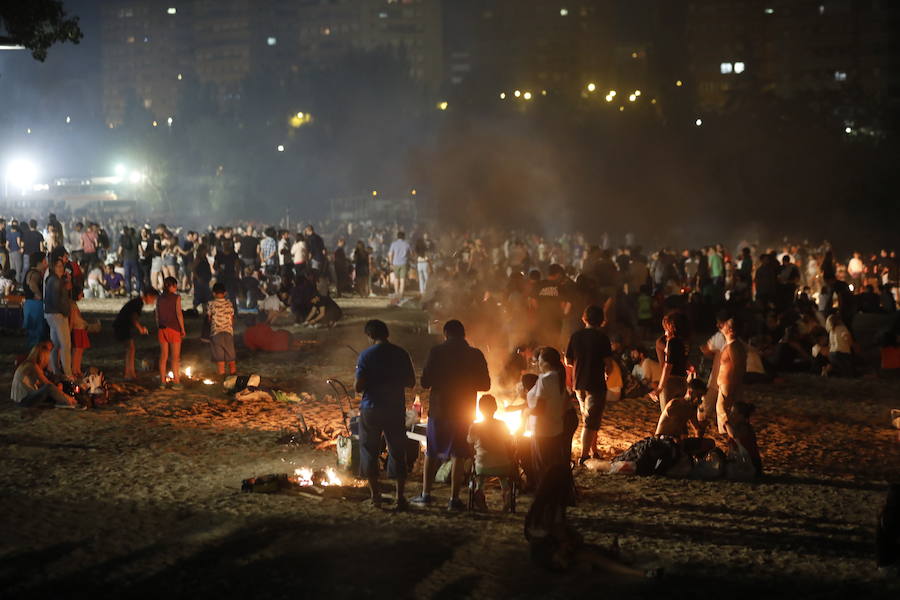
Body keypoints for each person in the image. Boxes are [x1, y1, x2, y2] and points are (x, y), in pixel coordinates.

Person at [413, 319, 491, 511]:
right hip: (463, 411)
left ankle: (426, 494)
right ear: (464, 334)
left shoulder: (437, 352)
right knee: (459, 454)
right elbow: (486, 385)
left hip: (440, 409)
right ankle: (454, 499)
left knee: (431, 451)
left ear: (445, 334)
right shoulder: (475, 354)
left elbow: (425, 382)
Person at [354, 319, 417, 510]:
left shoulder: (365, 356)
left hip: (371, 408)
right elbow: (411, 382)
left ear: (370, 336)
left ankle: (376, 497)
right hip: (394, 408)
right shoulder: (401, 353)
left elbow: (358, 387)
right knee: (397, 452)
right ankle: (400, 498)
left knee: (369, 452)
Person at [565, 305, 612, 465]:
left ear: (584, 318)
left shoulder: (576, 336)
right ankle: (584, 455)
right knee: (591, 420)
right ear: (601, 320)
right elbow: (608, 363)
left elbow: (568, 361)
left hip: (579, 383)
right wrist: (607, 373)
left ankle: (594, 450)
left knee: (589, 416)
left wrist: (580, 364)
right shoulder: (602, 338)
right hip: (596, 383)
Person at [527, 347, 570, 478]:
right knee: (552, 464)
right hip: (556, 428)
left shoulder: (545, 379)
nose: (538, 363)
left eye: (539, 360)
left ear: (545, 363)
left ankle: (544, 493)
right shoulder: (559, 377)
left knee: (542, 466)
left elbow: (539, 409)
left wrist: (526, 412)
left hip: (542, 430)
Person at [467, 394, 515, 511]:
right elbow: (509, 443)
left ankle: (479, 491)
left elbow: (469, 442)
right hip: (503, 464)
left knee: (480, 476)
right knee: (503, 477)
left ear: (480, 409)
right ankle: (507, 491)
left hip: (483, 465)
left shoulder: (475, 426)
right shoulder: (502, 424)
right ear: (495, 408)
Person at [10, 341, 77, 407]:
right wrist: (66, 397)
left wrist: (57, 388)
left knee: (51, 388)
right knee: (49, 387)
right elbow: (46, 383)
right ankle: (69, 402)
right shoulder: (32, 366)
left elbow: (39, 383)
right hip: (24, 400)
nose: (47, 361)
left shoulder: (28, 364)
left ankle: (62, 400)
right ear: (42, 358)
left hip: (22, 399)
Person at [113, 288, 158, 379]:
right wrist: (140, 328)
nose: (153, 301)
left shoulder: (137, 302)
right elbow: (134, 317)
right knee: (130, 348)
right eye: (153, 299)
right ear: (148, 296)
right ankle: (129, 373)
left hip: (123, 325)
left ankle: (130, 372)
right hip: (122, 326)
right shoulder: (138, 303)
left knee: (131, 349)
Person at [653, 311, 690, 414]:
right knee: (679, 415)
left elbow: (667, 366)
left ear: (671, 326)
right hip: (682, 380)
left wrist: (660, 388)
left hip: (671, 381)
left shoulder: (671, 342)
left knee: (667, 415)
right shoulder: (684, 342)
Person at [716, 316, 747, 437]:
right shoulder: (732, 345)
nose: (722, 326)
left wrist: (735, 386)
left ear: (731, 330)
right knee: (724, 411)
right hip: (727, 384)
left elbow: (739, 367)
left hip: (729, 385)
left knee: (724, 411)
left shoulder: (734, 346)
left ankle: (732, 437)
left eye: (726, 325)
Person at [43, 257, 73, 378]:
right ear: (53, 268)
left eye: (62, 266)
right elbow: (57, 300)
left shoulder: (54, 280)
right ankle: (68, 373)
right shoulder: (55, 281)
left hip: (52, 314)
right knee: (65, 344)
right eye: (58, 266)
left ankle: (56, 371)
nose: (61, 269)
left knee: (56, 344)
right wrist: (65, 311)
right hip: (58, 314)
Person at [156, 276, 186, 389]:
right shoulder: (176, 297)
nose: (176, 288)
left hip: (162, 329)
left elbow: (157, 315)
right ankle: (176, 382)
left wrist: (159, 326)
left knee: (163, 356)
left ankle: (162, 382)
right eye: (175, 285)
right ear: (172, 286)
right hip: (174, 328)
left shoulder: (159, 298)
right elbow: (179, 313)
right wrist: (182, 329)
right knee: (175, 357)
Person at [208, 282, 236, 378]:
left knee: (220, 358)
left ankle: (222, 378)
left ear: (213, 293)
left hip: (216, 333)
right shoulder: (229, 303)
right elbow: (232, 318)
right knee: (231, 357)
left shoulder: (211, 304)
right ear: (225, 293)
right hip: (228, 332)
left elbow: (209, 318)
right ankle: (233, 376)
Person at [22, 252, 48, 348]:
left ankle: (32, 355)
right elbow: (32, 283)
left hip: (29, 305)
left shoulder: (30, 272)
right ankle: (35, 356)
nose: (46, 263)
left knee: (32, 333)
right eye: (45, 261)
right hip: (35, 305)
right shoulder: (35, 273)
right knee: (37, 333)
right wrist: (39, 294)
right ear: (39, 262)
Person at [70, 290, 89, 377]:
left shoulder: (74, 304)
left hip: (80, 329)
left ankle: (77, 369)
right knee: (77, 350)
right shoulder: (72, 305)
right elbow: (73, 320)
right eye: (81, 294)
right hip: (77, 329)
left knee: (80, 350)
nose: (82, 296)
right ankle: (74, 369)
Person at [388, 231, 411, 301]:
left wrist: (390, 263)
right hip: (403, 263)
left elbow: (390, 254)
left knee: (396, 278)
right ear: (404, 237)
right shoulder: (407, 244)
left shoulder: (393, 244)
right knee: (402, 279)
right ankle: (401, 294)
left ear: (397, 237)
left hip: (395, 263)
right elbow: (411, 253)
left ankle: (396, 292)